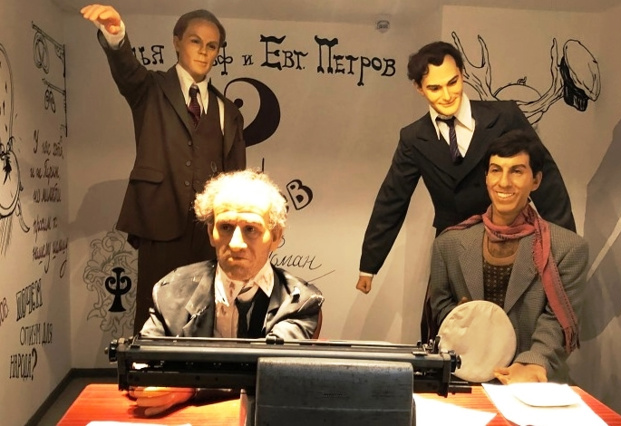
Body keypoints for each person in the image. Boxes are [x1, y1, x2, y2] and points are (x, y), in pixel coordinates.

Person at [356, 41, 575, 295]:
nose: (447, 95)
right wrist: (369, 266)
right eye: (435, 88)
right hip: (453, 246)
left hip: (511, 239)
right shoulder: (413, 138)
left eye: (453, 82)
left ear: (462, 73)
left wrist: (565, 246)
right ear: (419, 88)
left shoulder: (505, 116)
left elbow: (547, 180)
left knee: (512, 315)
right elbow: (392, 199)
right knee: (449, 317)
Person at [81, 5, 246, 332]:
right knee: (154, 314)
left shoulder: (227, 111)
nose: (203, 51)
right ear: (176, 42)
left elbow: (235, 179)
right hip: (159, 223)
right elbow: (126, 70)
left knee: (205, 316)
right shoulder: (150, 88)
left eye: (212, 45)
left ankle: (200, 365)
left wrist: (233, 228)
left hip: (209, 232)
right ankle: (150, 365)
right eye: (195, 41)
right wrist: (115, 34)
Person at [131, 169, 324, 416]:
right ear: (210, 232)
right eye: (225, 227)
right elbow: (142, 363)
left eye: (251, 229)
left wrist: (190, 388)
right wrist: (147, 382)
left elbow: (274, 373)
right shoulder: (172, 291)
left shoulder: (300, 303)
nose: (235, 243)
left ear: (275, 237)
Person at [426, 129, 587, 384]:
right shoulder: (448, 245)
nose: (503, 182)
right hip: (464, 377)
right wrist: (465, 317)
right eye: (496, 170)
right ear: (486, 177)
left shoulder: (568, 248)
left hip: (531, 380)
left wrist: (532, 362)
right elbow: (440, 308)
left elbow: (556, 320)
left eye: (516, 171)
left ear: (536, 180)